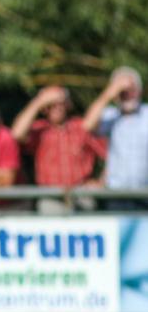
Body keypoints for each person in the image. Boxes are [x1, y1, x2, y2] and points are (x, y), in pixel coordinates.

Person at [12, 86, 106, 213]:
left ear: (68, 105)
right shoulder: (39, 130)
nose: (57, 107)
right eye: (51, 104)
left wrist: (101, 181)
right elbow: (16, 134)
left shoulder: (81, 127)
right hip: (51, 198)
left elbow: (113, 155)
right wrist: (39, 102)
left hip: (81, 196)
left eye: (60, 103)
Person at [83, 66, 148, 210]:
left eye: (131, 90)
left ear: (140, 91)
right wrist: (110, 92)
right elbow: (87, 125)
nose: (127, 95)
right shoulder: (110, 115)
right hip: (116, 195)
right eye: (122, 92)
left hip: (145, 194)